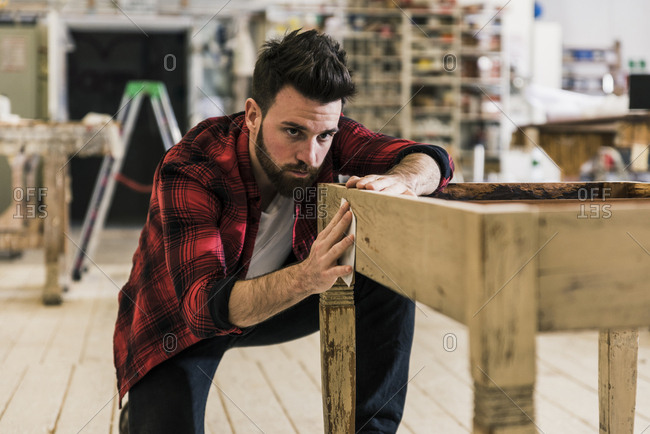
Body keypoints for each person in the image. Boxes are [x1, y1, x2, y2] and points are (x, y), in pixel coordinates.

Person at [114, 29, 454, 433]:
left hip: (279, 299)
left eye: (324, 136)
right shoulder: (193, 165)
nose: (309, 155)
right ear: (253, 115)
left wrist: (406, 181)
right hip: (181, 322)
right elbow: (204, 308)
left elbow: (431, 158)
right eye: (292, 132)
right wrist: (307, 277)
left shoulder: (325, 133)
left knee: (386, 263)